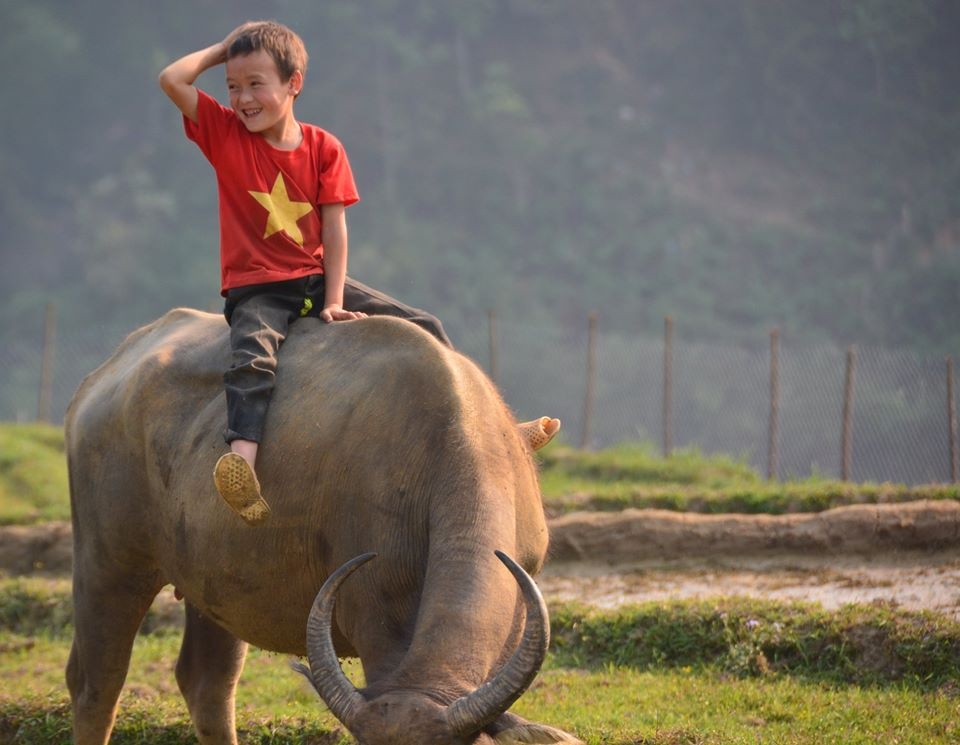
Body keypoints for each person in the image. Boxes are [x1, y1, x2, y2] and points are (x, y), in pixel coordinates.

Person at [158, 20, 451, 525]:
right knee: (252, 361)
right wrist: (224, 49)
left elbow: (335, 231)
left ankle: (491, 430)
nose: (243, 98)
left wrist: (334, 301)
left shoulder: (324, 147)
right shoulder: (225, 134)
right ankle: (242, 466)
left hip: (314, 281)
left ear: (293, 83)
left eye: (256, 84)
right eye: (233, 86)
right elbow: (172, 79)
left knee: (424, 326)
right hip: (258, 289)